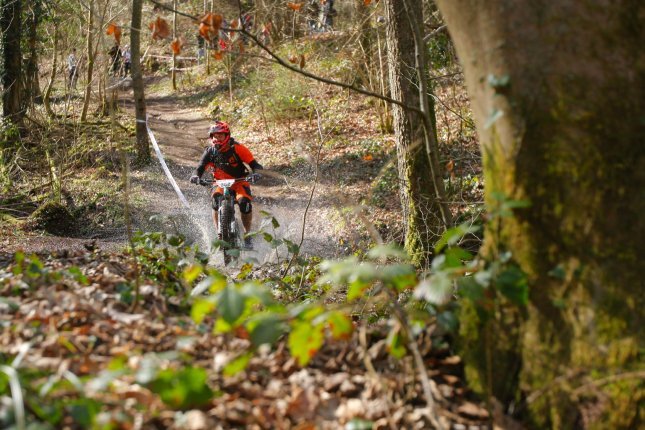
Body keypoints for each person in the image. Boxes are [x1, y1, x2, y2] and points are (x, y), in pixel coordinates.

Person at [190, 121, 263, 249]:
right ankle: (220, 233)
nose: (217, 139)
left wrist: (255, 173)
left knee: (245, 203)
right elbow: (200, 167)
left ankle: (247, 235)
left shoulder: (238, 148)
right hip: (219, 183)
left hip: (239, 182)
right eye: (214, 136)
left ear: (227, 135)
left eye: (220, 136)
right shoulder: (210, 151)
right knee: (215, 201)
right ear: (211, 137)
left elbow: (255, 165)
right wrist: (196, 176)